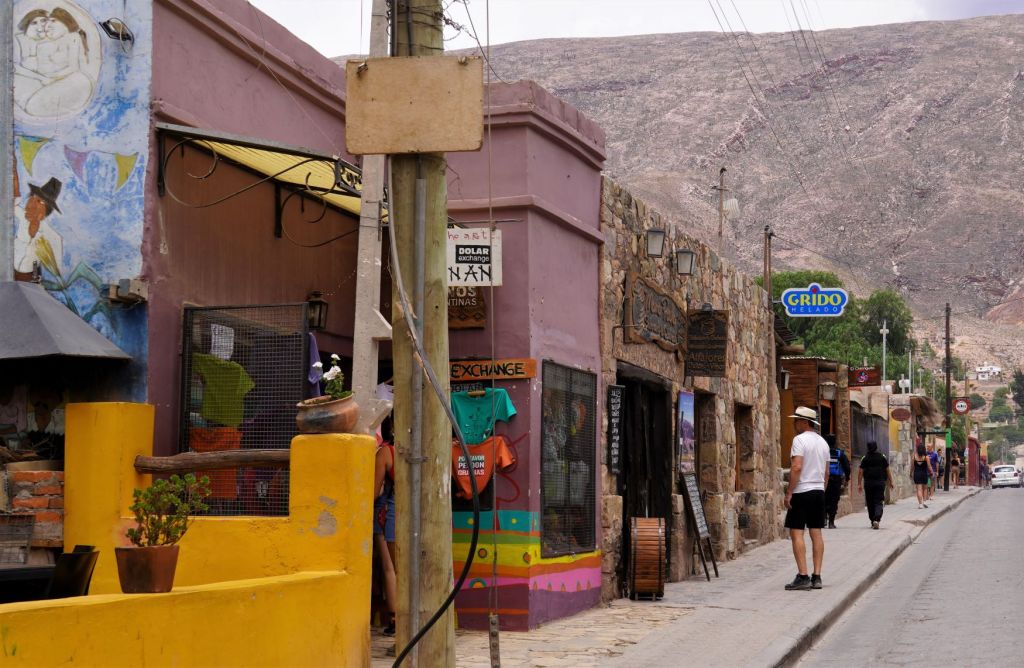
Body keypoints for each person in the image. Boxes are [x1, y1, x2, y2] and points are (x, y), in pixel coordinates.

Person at [784, 406, 830, 591]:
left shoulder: (799, 440)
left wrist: (789, 492)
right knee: (816, 532)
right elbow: (826, 473)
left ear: (804, 422)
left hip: (802, 491)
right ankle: (817, 576)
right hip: (818, 491)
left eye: (796, 420)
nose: (795, 423)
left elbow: (796, 467)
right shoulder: (823, 443)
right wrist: (821, 490)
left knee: (796, 532)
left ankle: (803, 576)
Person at [373, 420, 397, 636]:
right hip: (415, 514)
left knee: (390, 568)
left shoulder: (386, 453)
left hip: (387, 514)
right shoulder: (420, 452)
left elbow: (373, 492)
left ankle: (395, 619)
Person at [857, 442, 894, 529]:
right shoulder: (882, 457)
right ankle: (876, 519)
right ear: (876, 447)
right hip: (880, 483)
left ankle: (872, 520)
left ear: (868, 448)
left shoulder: (865, 458)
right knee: (878, 501)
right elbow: (887, 470)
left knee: (870, 502)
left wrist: (859, 484)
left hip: (868, 483)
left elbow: (860, 471)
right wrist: (891, 481)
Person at [823, 434, 851, 529]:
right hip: (836, 480)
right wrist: (847, 478)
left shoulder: (823, 452)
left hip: (824, 479)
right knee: (834, 500)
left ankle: (823, 519)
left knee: (824, 498)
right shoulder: (839, 454)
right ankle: (831, 522)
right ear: (835, 442)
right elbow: (847, 467)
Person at [911, 441, 934, 508]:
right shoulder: (926, 457)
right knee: (925, 488)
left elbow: (912, 467)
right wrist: (932, 472)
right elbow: (929, 466)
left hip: (917, 474)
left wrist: (910, 473)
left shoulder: (914, 457)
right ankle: (924, 502)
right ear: (924, 449)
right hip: (924, 474)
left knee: (919, 489)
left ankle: (920, 504)